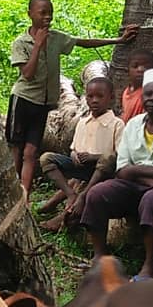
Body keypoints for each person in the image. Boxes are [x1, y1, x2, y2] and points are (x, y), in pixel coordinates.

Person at [6, 0, 138, 195]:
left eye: (50, 13)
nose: (47, 17)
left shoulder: (56, 38)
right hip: (23, 100)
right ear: (30, 14)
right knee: (17, 148)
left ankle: (24, 196)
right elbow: (28, 74)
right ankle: (13, 193)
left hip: (42, 103)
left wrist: (118, 40)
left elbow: (82, 42)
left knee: (31, 152)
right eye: (42, 13)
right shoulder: (21, 43)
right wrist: (38, 45)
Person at [79, 68, 153, 280]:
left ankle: (149, 267)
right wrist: (151, 179)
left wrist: (135, 171)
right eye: (148, 94)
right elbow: (122, 168)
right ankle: (100, 257)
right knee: (97, 193)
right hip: (140, 184)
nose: (152, 98)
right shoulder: (133, 125)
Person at [37, 76, 124, 228]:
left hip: (102, 171)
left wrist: (93, 157)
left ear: (111, 98)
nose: (95, 100)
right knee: (46, 158)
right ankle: (70, 193)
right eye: (90, 96)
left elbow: (119, 155)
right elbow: (74, 148)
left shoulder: (117, 124)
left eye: (100, 96)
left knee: (108, 157)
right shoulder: (83, 122)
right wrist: (74, 155)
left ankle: (70, 210)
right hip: (81, 168)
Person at [121, 48, 153, 121]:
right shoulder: (127, 91)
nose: (140, 70)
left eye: (146, 67)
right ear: (127, 69)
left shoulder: (149, 94)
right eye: (135, 66)